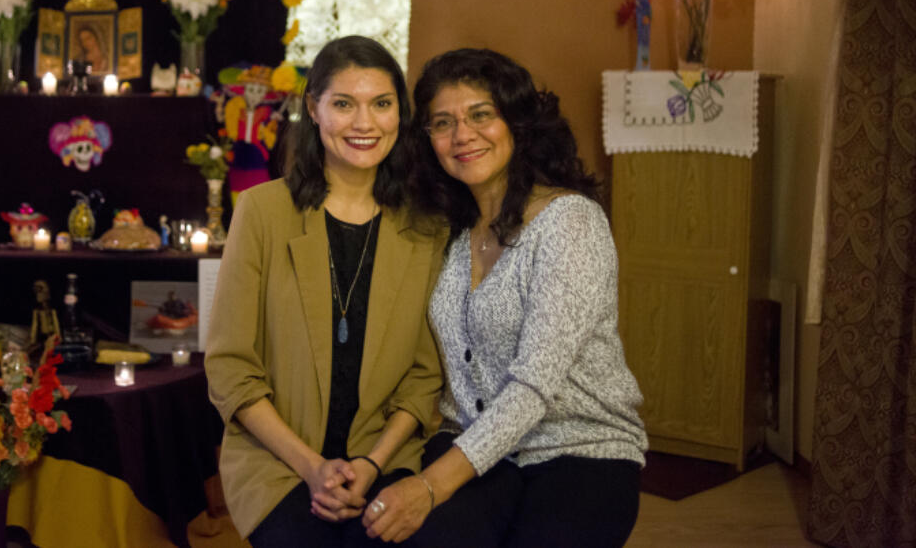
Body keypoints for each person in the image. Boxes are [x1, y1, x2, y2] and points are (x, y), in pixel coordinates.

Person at [361, 48, 647, 547]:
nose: (461, 135)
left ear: (516, 122)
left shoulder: (569, 222)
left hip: (579, 449)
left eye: (480, 115)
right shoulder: (447, 231)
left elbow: (534, 385)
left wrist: (428, 487)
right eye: (442, 123)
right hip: (472, 443)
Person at [205, 36, 445, 547]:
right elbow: (230, 368)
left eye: (381, 104)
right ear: (313, 108)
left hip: (385, 456)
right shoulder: (262, 212)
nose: (365, 124)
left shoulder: (426, 229)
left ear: (400, 114)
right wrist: (312, 467)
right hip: (279, 462)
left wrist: (372, 462)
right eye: (343, 104)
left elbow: (425, 377)